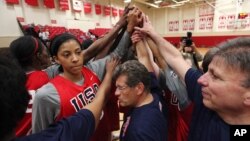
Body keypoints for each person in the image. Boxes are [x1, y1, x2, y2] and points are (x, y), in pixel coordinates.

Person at [135, 15, 250, 141]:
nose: (201, 79)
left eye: (215, 76)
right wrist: (152, 32)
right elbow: (175, 58)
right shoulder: (203, 93)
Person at [0, 55, 119, 141]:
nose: (75, 59)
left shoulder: (89, 71)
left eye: (78, 52)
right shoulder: (45, 94)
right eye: (66, 54)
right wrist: (109, 74)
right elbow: (91, 111)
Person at [113, 60, 167, 141]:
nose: (116, 93)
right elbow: (144, 56)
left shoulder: (139, 131)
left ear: (139, 88)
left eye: (121, 88)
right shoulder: (155, 96)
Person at [9, 36, 51, 137]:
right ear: (38, 56)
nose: (47, 53)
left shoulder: (8, 80)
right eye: (45, 49)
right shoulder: (41, 77)